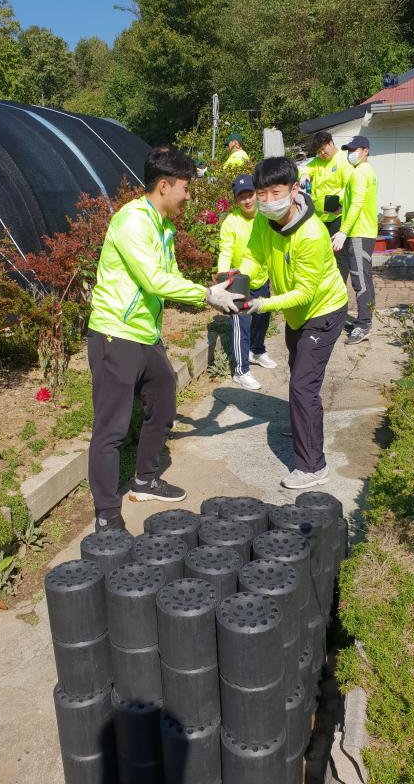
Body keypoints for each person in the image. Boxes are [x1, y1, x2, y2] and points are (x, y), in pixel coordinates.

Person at [87, 147, 243, 530]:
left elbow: (168, 278)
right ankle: (107, 516)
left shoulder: (163, 227)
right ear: (163, 186)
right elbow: (154, 280)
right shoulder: (132, 222)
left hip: (145, 334)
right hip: (115, 333)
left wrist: (209, 290)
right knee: (111, 430)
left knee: (163, 402)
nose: (188, 196)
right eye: (185, 188)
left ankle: (145, 480)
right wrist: (206, 296)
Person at [240, 157, 348, 490]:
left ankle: (314, 466)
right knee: (298, 375)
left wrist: (261, 304)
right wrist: (238, 281)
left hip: (323, 311)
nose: (268, 200)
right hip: (296, 314)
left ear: (294, 189)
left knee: (303, 386)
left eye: (276, 192)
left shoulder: (312, 233)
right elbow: (254, 256)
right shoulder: (264, 221)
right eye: (262, 194)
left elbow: (304, 293)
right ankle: (303, 426)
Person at [217, 173, 277, 390]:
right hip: (239, 282)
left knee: (262, 318)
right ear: (236, 200)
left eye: (250, 194)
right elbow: (225, 251)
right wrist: (223, 278)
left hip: (261, 276)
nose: (247, 200)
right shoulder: (231, 222)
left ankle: (257, 351)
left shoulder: (265, 216)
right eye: (242, 197)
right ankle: (240, 371)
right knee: (240, 326)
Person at [330, 136, 378, 345]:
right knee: (364, 278)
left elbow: (358, 203)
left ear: (365, 150)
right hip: (364, 231)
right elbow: (356, 200)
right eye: (349, 150)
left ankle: (363, 324)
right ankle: (364, 320)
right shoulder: (366, 171)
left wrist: (343, 231)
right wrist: (340, 204)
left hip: (359, 232)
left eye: (355, 150)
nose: (351, 154)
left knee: (360, 281)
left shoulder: (360, 172)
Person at [298, 131, 353, 279]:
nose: (322, 153)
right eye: (318, 151)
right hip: (319, 217)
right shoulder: (318, 161)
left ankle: (340, 285)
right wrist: (304, 174)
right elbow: (306, 168)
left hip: (337, 215)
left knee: (339, 255)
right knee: (321, 253)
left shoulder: (343, 159)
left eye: (323, 149)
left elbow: (349, 186)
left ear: (330, 143)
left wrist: (337, 201)